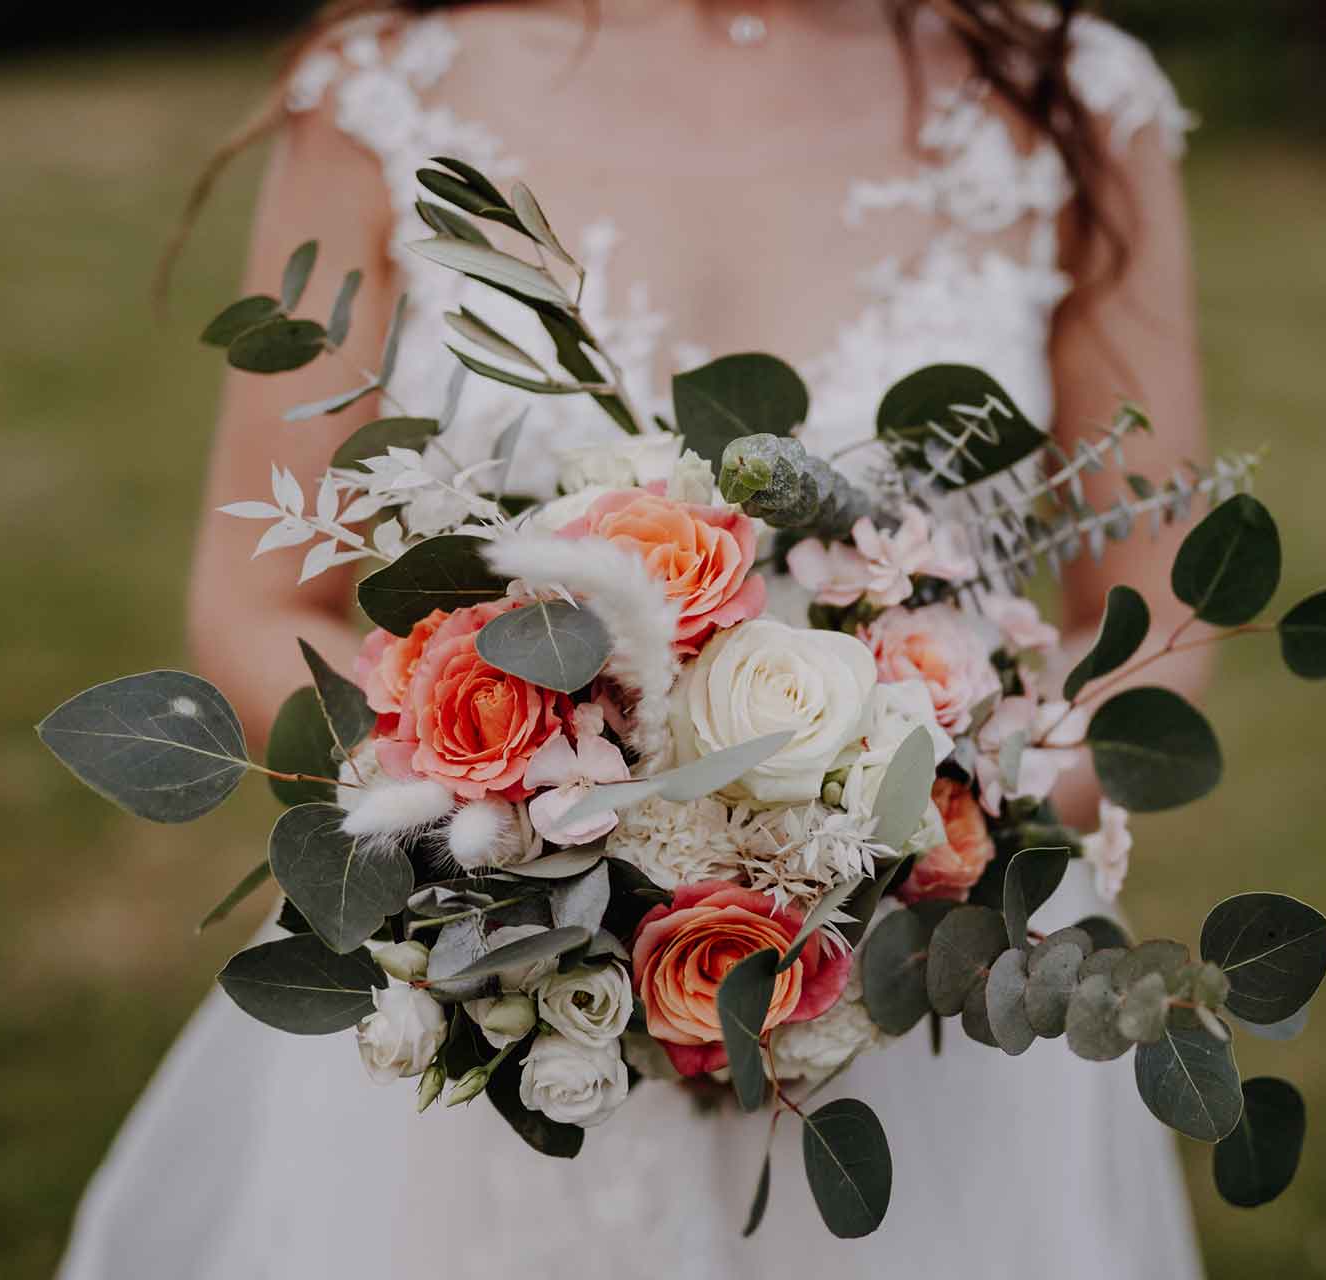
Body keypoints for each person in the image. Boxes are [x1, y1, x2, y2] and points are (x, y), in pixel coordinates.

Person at [60, 2, 1212, 1274]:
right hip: (490, 974)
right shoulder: (390, 84)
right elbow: (253, 596)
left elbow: (1162, 617)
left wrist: (909, 852)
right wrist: (504, 831)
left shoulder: (1077, 100)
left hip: (925, 999)